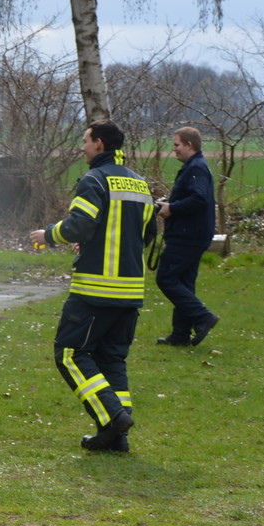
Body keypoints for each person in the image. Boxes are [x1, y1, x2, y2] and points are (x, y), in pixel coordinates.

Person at [29, 121, 157, 453]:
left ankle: (113, 417)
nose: (82, 147)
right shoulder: (141, 184)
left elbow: (80, 224)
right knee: (112, 360)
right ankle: (118, 438)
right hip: (130, 292)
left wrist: (49, 235)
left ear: (99, 144)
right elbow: (147, 234)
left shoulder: (94, 179)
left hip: (95, 290)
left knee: (70, 354)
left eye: (85, 141)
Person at [154, 126, 219, 347]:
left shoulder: (196, 169)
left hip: (187, 236)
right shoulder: (196, 167)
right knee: (184, 282)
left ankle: (202, 316)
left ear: (189, 145)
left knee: (166, 278)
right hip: (194, 235)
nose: (174, 150)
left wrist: (172, 208)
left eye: (177, 145)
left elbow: (199, 199)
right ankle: (180, 334)